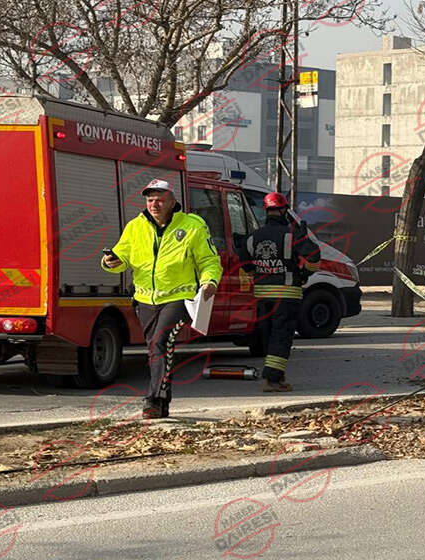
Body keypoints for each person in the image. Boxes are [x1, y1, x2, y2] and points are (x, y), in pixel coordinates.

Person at [101, 179, 220, 418]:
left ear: (172, 201)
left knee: (160, 342)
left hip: (179, 298)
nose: (154, 204)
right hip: (145, 300)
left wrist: (209, 282)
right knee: (157, 349)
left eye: (160, 199)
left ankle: (153, 401)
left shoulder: (192, 225)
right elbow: (121, 256)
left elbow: (209, 260)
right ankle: (163, 402)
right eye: (150, 199)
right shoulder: (136, 226)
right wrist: (110, 262)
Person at [238, 192, 319, 392]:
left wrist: (260, 272)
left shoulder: (252, 237)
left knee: (268, 336)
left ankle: (277, 376)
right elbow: (314, 256)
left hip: (262, 296)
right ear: (283, 210)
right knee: (281, 336)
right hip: (286, 294)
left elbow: (245, 265)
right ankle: (272, 380)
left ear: (266, 211)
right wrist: (304, 273)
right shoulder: (292, 234)